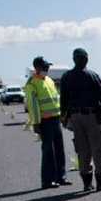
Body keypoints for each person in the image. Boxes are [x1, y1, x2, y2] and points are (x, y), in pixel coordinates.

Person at [60, 48, 101, 192]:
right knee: (98, 150)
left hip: (75, 117)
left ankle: (87, 184)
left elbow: (63, 100)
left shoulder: (66, 77)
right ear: (86, 59)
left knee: (82, 150)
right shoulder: (92, 75)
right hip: (92, 117)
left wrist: (64, 118)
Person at [24, 56, 70, 188]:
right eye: (45, 67)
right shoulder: (32, 83)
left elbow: (56, 98)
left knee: (59, 149)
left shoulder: (49, 80)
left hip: (56, 119)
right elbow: (33, 105)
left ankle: (61, 177)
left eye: (48, 67)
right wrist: (36, 123)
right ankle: (47, 180)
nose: (47, 69)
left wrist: (62, 115)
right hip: (44, 121)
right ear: (37, 68)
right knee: (48, 151)